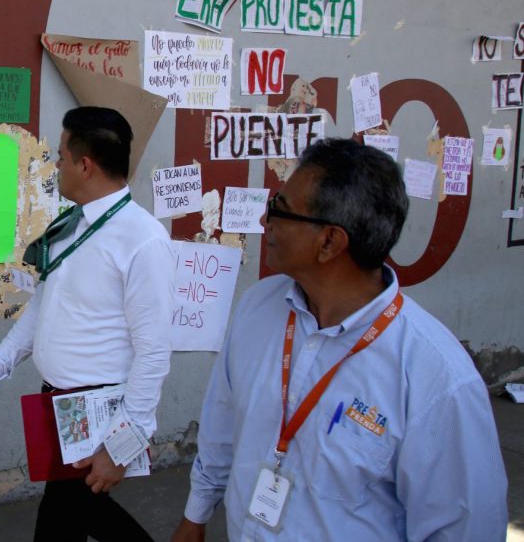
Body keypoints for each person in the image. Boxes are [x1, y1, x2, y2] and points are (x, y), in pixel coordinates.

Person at [172, 139, 508, 541]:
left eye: (280, 208)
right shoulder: (257, 307)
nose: (266, 220)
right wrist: (196, 514)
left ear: (330, 241)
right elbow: (221, 422)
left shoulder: (438, 379)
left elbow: (465, 528)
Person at [0, 106, 176, 542]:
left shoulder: (143, 240)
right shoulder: (72, 226)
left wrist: (126, 443)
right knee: (73, 513)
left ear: (85, 164)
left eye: (60, 156)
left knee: (70, 514)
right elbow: (43, 310)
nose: (54, 165)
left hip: (98, 412)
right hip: (57, 405)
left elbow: (154, 350)